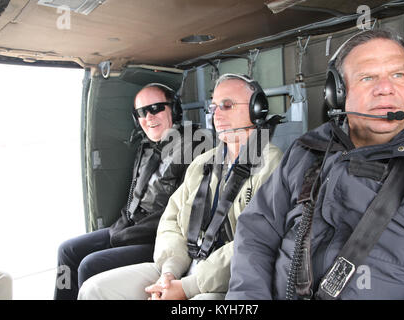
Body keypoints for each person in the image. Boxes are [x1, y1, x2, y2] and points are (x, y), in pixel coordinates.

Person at [227, 29, 404, 300]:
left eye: (398, 75)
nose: (385, 87)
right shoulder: (306, 151)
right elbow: (256, 232)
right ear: (337, 93)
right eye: (368, 77)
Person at [77, 74, 283, 300]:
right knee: (93, 289)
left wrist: (187, 287)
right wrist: (169, 271)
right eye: (214, 107)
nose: (217, 115)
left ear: (257, 109)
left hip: (229, 279)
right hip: (182, 265)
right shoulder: (203, 163)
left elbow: (255, 240)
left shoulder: (272, 165)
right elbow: (171, 219)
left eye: (227, 105)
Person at [54, 83, 206, 300]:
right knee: (67, 250)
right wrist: (122, 229)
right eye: (142, 112)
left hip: (157, 239)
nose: (149, 117)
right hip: (129, 227)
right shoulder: (146, 146)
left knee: (89, 265)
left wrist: (126, 234)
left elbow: (182, 214)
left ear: (174, 109)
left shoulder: (195, 144)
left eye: (156, 108)